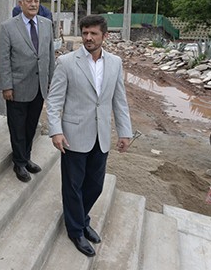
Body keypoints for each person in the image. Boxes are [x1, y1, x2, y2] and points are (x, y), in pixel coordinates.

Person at [47, 14, 132, 257]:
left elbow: (119, 100)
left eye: (94, 33)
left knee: (95, 185)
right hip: (73, 134)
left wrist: (125, 132)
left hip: (101, 135)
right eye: (85, 33)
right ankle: (76, 230)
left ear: (105, 36)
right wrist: (56, 130)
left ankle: (82, 218)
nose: (88, 38)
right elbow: (54, 100)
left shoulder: (115, 63)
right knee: (73, 186)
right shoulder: (66, 62)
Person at [0, 0, 55, 182]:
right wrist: (6, 86)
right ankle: (19, 163)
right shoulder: (8, 27)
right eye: (29, 1)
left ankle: (26, 157)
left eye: (36, 1)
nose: (33, 4)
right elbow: (4, 59)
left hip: (39, 86)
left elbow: (49, 55)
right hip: (17, 87)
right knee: (17, 127)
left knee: (31, 126)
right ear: (20, 3)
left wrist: (51, 81)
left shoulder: (46, 24)